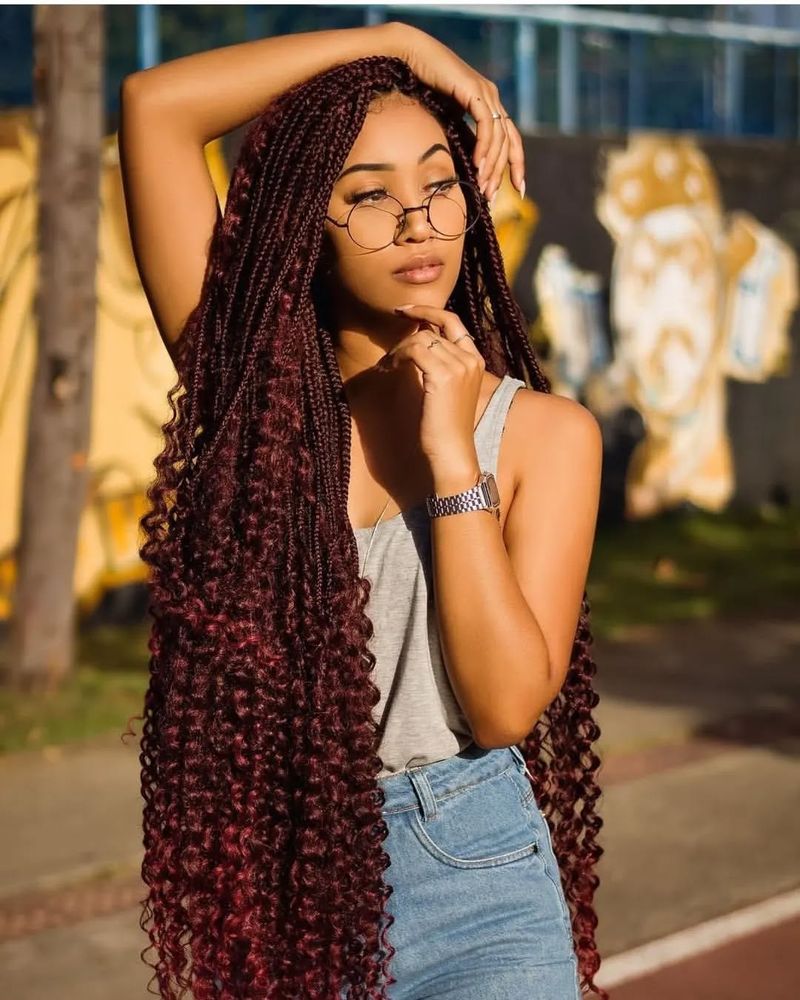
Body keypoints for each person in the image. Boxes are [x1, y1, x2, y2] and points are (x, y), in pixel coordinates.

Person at [119, 20, 606, 1000]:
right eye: (369, 197)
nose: (419, 222)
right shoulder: (251, 403)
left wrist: (448, 456)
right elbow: (155, 109)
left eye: (436, 185)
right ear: (305, 221)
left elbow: (508, 703)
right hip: (285, 888)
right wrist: (398, 41)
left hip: (475, 870)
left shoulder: (549, 436)